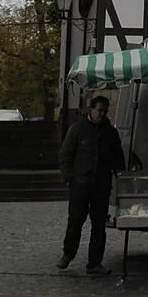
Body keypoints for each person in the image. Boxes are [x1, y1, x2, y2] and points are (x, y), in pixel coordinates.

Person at [58, 95, 124, 274]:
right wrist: (69, 178)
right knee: (75, 222)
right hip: (80, 185)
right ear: (91, 110)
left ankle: (94, 263)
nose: (101, 114)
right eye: (98, 110)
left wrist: (121, 174)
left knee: (99, 226)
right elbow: (65, 155)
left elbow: (118, 157)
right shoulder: (78, 130)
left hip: (101, 186)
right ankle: (68, 254)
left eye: (104, 111)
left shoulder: (110, 133)